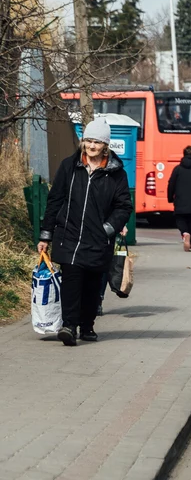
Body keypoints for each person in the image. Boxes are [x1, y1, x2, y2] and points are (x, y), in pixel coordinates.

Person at [38, 119, 133, 346]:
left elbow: (124, 206)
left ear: (105, 146)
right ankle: (69, 326)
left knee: (91, 286)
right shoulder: (69, 166)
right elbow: (55, 200)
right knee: (71, 281)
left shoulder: (116, 173)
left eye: (97, 142)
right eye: (88, 140)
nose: (91, 146)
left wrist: (107, 229)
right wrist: (45, 234)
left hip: (98, 240)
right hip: (69, 236)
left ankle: (87, 325)